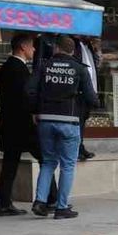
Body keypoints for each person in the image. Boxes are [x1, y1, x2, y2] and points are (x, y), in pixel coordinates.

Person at [30, 35, 97, 219]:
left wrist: (35, 110)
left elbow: (30, 91)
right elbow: (92, 99)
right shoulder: (80, 69)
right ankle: (61, 207)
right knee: (67, 165)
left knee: (48, 162)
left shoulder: (44, 66)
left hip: (45, 120)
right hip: (69, 121)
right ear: (73, 51)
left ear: (56, 48)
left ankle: (40, 201)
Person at [0, 33, 55, 216]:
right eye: (31, 46)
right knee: (46, 160)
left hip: (9, 124)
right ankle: (51, 199)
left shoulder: (6, 67)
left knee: (9, 165)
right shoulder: (18, 69)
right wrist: (36, 111)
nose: (34, 49)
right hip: (23, 125)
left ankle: (4, 204)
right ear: (23, 47)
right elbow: (26, 96)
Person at [74, 37, 101, 161]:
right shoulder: (75, 45)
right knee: (77, 121)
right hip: (79, 91)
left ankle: (80, 146)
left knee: (83, 119)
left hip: (89, 90)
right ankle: (78, 148)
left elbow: (93, 68)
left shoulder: (88, 46)